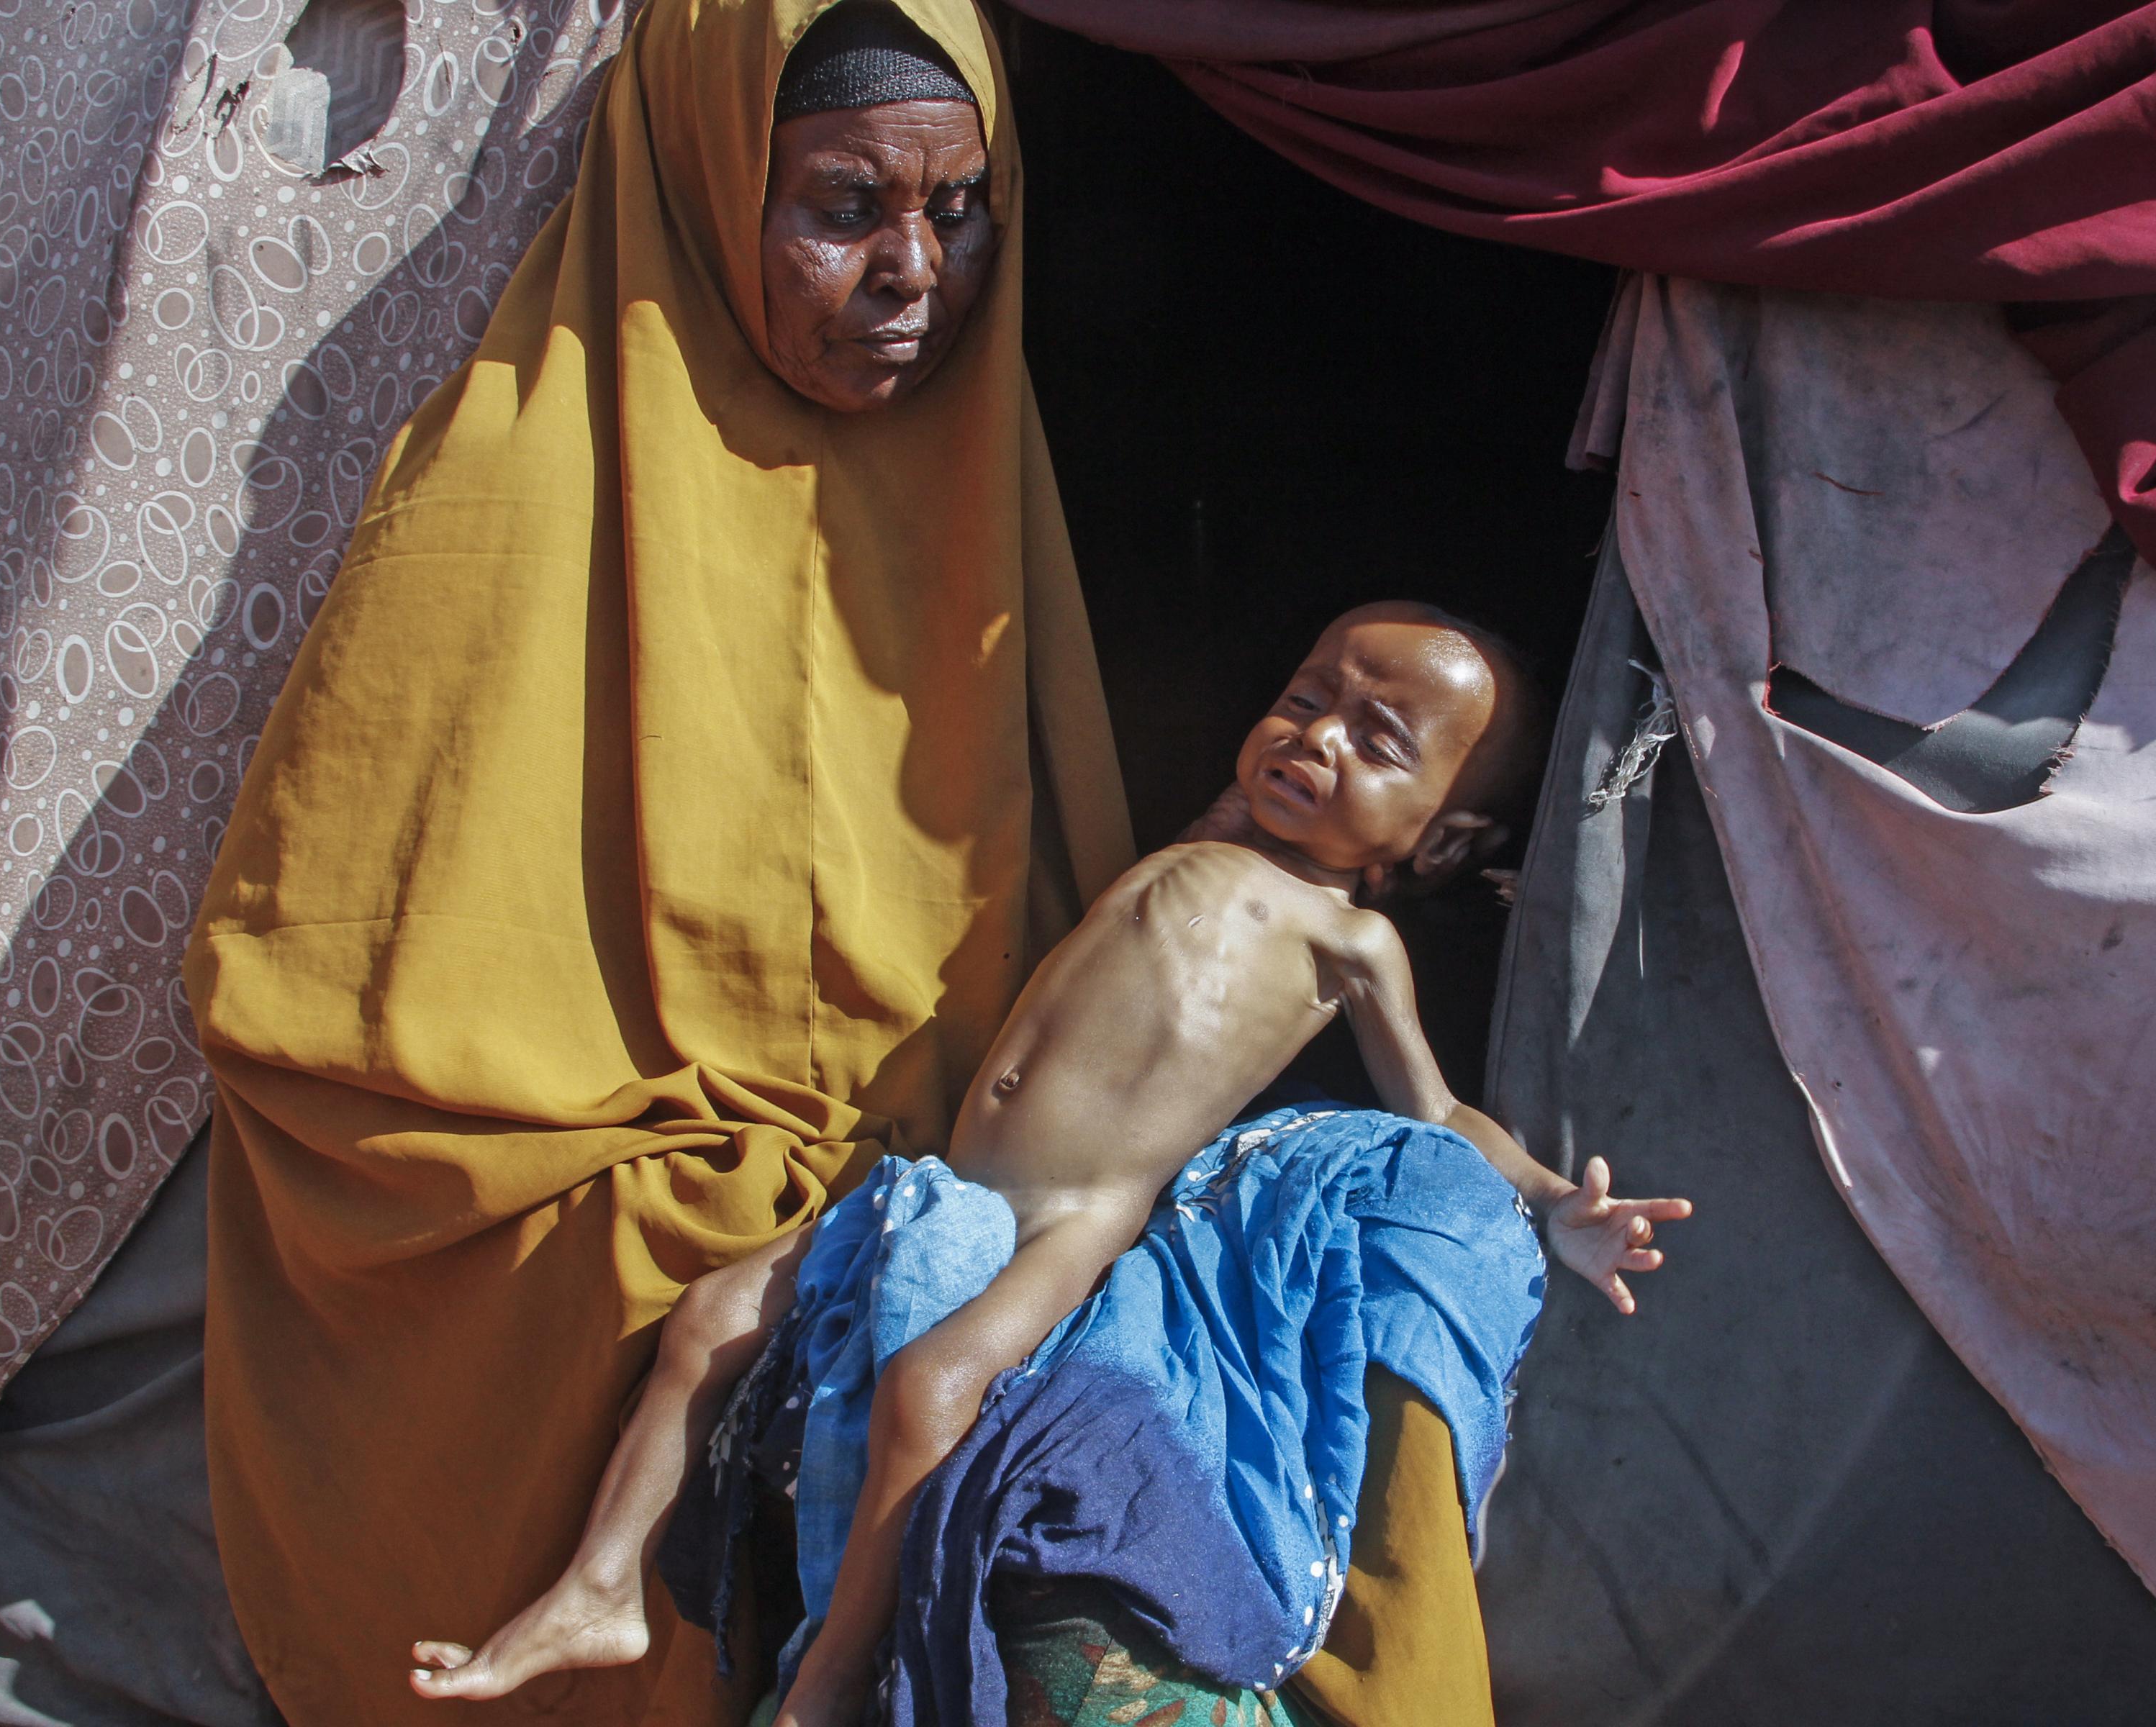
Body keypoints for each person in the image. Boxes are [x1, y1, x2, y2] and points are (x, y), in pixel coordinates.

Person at [185, 2, 1133, 1722]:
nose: (916, 270)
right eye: (845, 206)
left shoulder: (989, 505)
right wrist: (676, 1172)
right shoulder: (515, 475)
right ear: (707, 182)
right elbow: (315, 987)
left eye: (961, 207)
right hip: (613, 1186)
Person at [409, 602, 1693, 1724]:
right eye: (1307, 702)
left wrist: (1546, 1206)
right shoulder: (1200, 842)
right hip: (950, 1186)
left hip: (1075, 1218)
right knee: (710, 1320)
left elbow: (1437, 1113)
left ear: (1448, 845)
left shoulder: (1351, 940)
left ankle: (834, 1678)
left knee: (928, 1391)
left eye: (1377, 739)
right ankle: (597, 1593)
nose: (1317, 738)